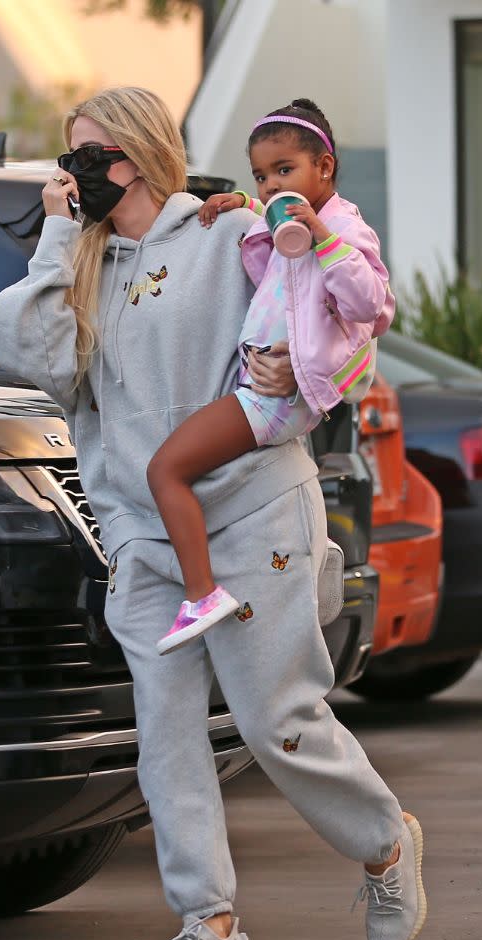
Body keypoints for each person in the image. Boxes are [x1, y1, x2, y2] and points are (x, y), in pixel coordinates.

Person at [0, 86, 426, 940]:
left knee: (277, 721)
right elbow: (28, 361)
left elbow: (341, 313)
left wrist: (295, 371)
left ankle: (383, 843)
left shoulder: (232, 235)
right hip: (148, 541)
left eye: (92, 156)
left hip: (256, 512)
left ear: (142, 154)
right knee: (167, 736)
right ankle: (209, 924)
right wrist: (60, 236)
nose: (77, 175)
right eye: (68, 159)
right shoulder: (85, 267)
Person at [148, 98, 394, 656]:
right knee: (187, 472)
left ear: (324, 167)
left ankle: (201, 595)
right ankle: (222, 583)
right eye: (261, 176)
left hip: (273, 398)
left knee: (166, 469)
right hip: (258, 387)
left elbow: (371, 307)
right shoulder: (289, 220)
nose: (270, 185)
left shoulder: (342, 228)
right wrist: (243, 206)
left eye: (285, 171)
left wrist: (324, 238)